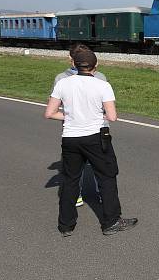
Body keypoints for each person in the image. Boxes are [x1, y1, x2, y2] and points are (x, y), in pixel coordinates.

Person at [44, 49, 137, 236]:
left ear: (75, 64)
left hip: (70, 137)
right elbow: (112, 116)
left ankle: (66, 225)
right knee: (106, 177)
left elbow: (49, 113)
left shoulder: (63, 83)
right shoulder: (103, 85)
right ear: (96, 66)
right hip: (95, 137)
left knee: (70, 180)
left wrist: (71, 116)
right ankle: (111, 221)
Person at [55, 44, 107, 208]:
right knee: (102, 167)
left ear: (71, 59)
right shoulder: (100, 77)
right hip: (98, 129)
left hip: (72, 131)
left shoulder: (61, 79)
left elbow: (52, 109)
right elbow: (107, 108)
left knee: (73, 169)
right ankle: (103, 195)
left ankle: (75, 198)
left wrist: (71, 115)